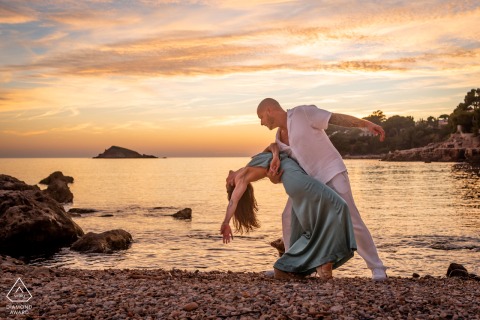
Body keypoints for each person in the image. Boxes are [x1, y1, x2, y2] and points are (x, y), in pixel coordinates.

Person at [257, 98, 388, 281]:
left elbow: (335, 118)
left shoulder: (302, 113)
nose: (261, 122)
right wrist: (273, 173)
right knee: (288, 216)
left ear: (270, 110)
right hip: (310, 185)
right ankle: (289, 265)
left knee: (352, 219)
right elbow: (289, 170)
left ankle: (377, 268)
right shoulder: (279, 140)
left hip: (332, 173)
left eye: (261, 117)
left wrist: (365, 124)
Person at [220, 151, 357, 280]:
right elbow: (234, 201)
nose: (225, 180)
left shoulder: (249, 165)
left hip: (294, 174)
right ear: (232, 183)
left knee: (302, 227)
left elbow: (273, 146)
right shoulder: (241, 179)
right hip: (294, 178)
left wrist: (274, 156)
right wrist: (226, 222)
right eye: (226, 185)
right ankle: (296, 263)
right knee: (339, 206)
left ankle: (306, 264)